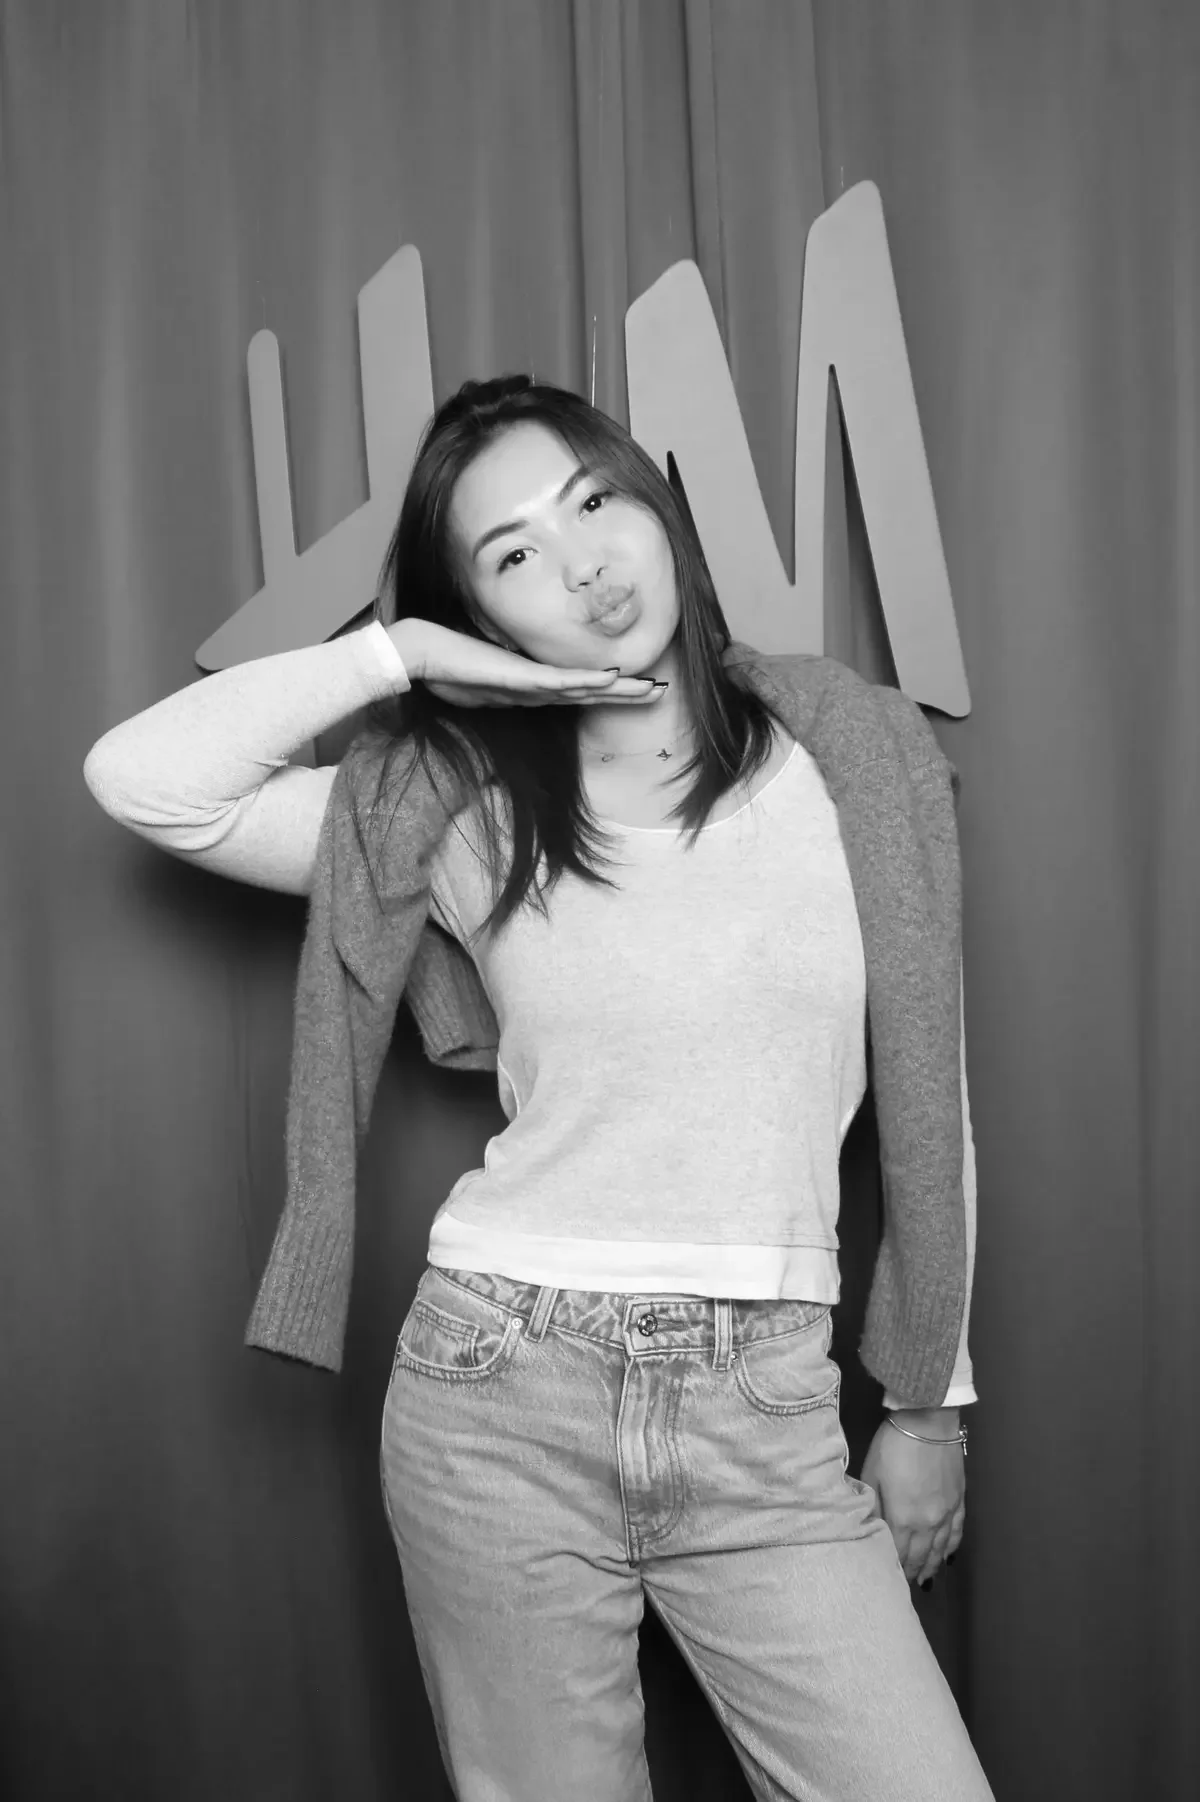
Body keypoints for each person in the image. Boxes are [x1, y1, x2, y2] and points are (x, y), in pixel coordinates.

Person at [83, 375, 993, 1802]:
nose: (582, 565)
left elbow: (935, 1092)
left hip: (764, 1398)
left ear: (656, 504)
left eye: (594, 501)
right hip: (496, 1386)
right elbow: (146, 781)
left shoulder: (852, 760)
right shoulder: (454, 809)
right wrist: (395, 656)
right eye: (512, 553)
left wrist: (931, 1404)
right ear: (482, 615)